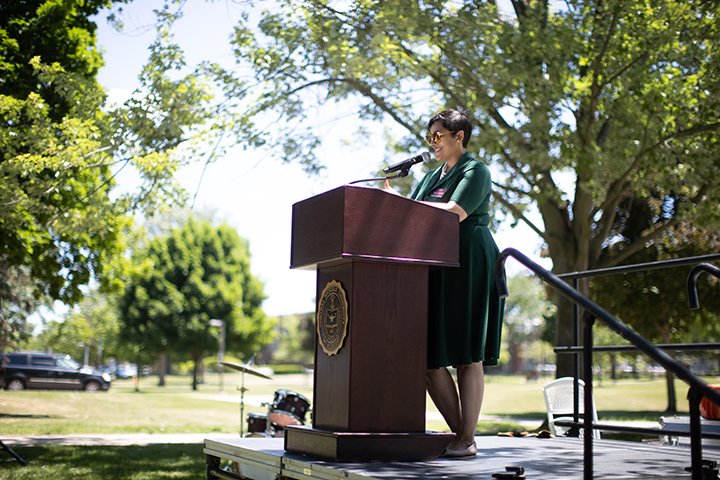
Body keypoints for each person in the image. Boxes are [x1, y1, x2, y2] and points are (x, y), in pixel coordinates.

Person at [403, 109, 505, 457]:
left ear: (458, 136)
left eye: (438, 136)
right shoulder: (430, 176)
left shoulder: (475, 170)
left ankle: (465, 438)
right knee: (430, 359)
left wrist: (407, 211)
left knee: (466, 353)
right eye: (429, 136)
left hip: (469, 260)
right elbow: (409, 214)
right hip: (435, 263)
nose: (432, 143)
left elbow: (455, 211)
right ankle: (461, 435)